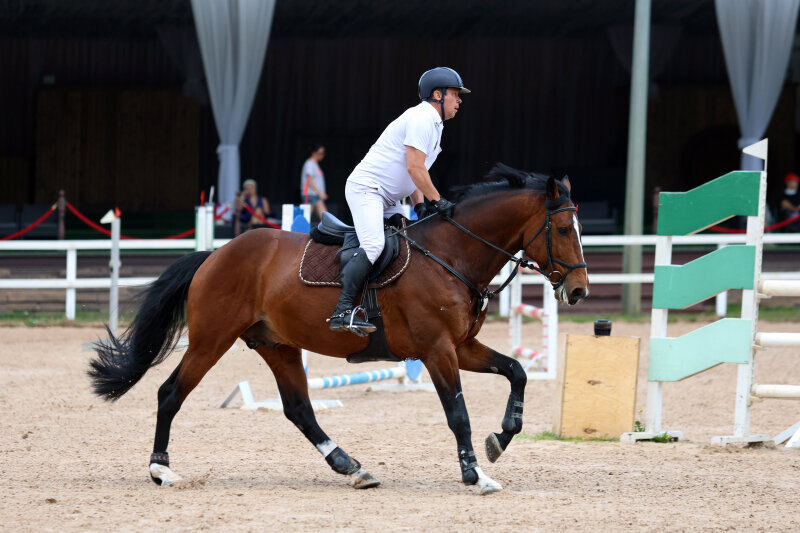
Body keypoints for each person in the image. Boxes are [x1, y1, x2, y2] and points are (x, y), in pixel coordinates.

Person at [327, 67, 469, 334]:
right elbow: (416, 168)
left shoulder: (434, 125)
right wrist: (438, 200)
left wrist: (419, 205)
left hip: (389, 197)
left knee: (409, 243)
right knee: (374, 244)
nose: (459, 100)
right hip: (367, 189)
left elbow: (413, 171)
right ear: (437, 95)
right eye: (455, 95)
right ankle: (343, 310)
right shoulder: (421, 119)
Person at [301, 144, 329, 218]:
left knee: (306, 218)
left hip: (314, 195)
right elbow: (309, 180)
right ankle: (331, 229)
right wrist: (320, 193)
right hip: (310, 194)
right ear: (314, 152)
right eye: (320, 153)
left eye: (323, 153)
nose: (322, 155)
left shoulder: (315, 164)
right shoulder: (310, 164)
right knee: (324, 217)